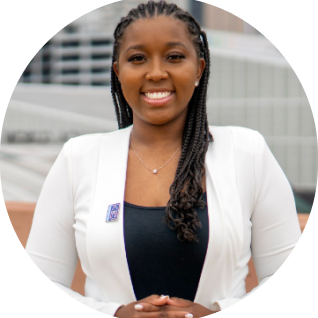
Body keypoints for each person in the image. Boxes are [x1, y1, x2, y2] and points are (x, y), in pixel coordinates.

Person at [25, 1, 302, 317]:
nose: (156, 73)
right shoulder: (79, 159)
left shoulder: (248, 152)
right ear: (118, 71)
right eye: (138, 58)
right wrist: (115, 313)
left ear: (198, 68)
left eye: (174, 57)